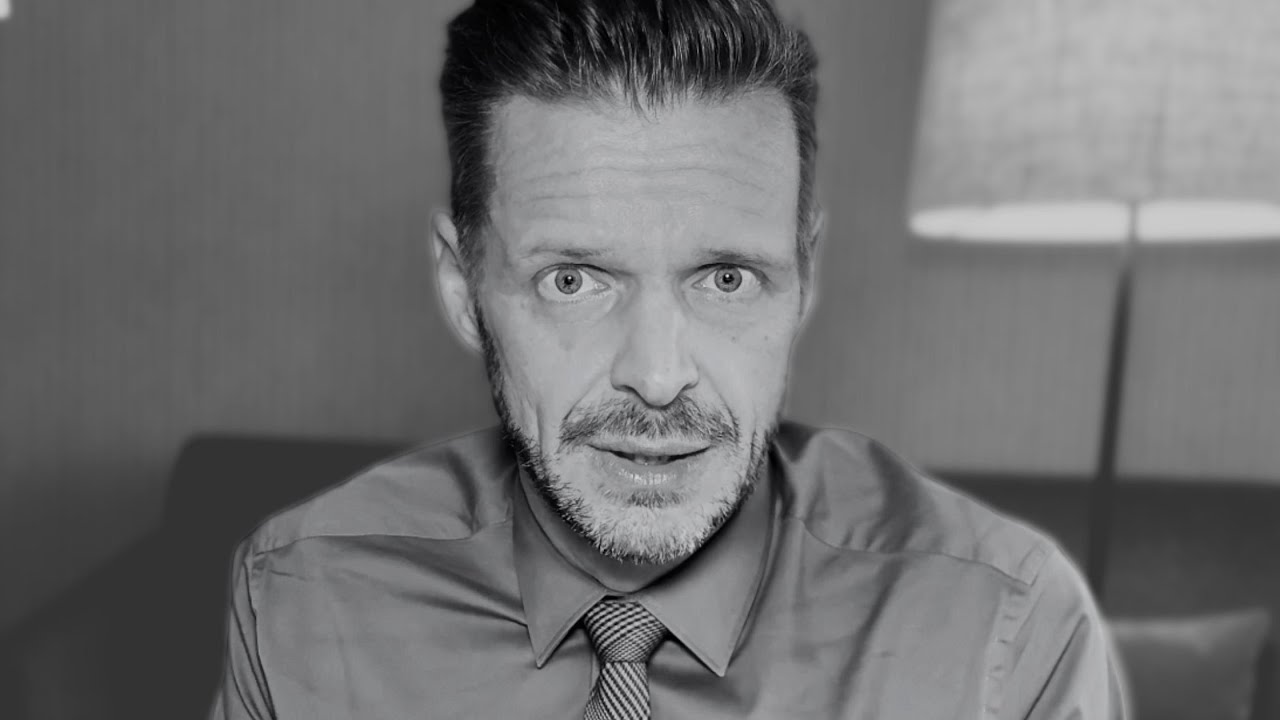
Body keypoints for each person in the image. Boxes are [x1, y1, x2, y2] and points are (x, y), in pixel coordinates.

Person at [210, 1, 1126, 718]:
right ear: (462, 286)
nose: (656, 378)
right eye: (573, 281)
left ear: (804, 279)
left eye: (726, 279)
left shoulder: (1006, 636)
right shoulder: (302, 604)